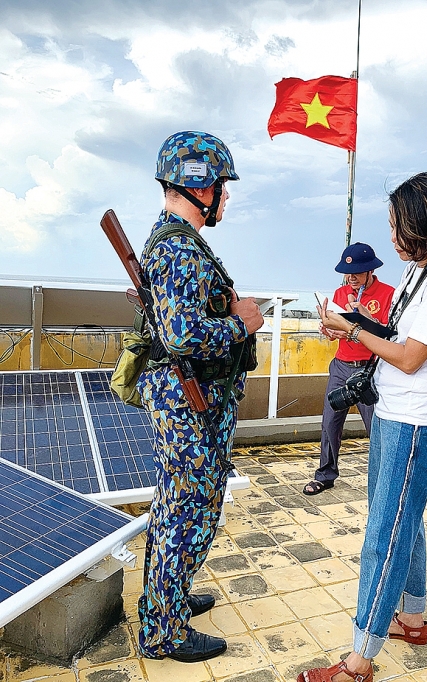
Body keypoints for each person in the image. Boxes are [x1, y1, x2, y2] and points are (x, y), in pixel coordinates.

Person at [297, 172, 427, 682]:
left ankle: (360, 659)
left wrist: (351, 328)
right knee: (404, 518)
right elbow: (400, 336)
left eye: (398, 224)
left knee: (386, 532)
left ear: (423, 225)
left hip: (415, 423)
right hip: (397, 415)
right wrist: (350, 321)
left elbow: (409, 357)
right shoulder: (421, 275)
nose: (392, 235)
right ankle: (411, 617)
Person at [136, 131, 263, 663]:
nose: (225, 197)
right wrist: (241, 321)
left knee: (196, 504)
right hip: (186, 400)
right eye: (221, 186)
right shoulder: (178, 248)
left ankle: (172, 599)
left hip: (197, 401)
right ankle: (163, 630)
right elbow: (184, 335)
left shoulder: (181, 244)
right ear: (198, 183)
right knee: (183, 509)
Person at [303, 243, 394, 495]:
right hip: (341, 365)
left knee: (376, 426)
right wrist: (331, 331)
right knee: (330, 422)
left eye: (357, 272)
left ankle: (384, 479)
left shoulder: (388, 294)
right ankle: (325, 474)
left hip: (369, 370)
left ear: (370, 271)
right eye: (348, 272)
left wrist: (362, 323)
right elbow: (340, 329)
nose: (351, 277)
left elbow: (388, 334)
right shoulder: (340, 292)